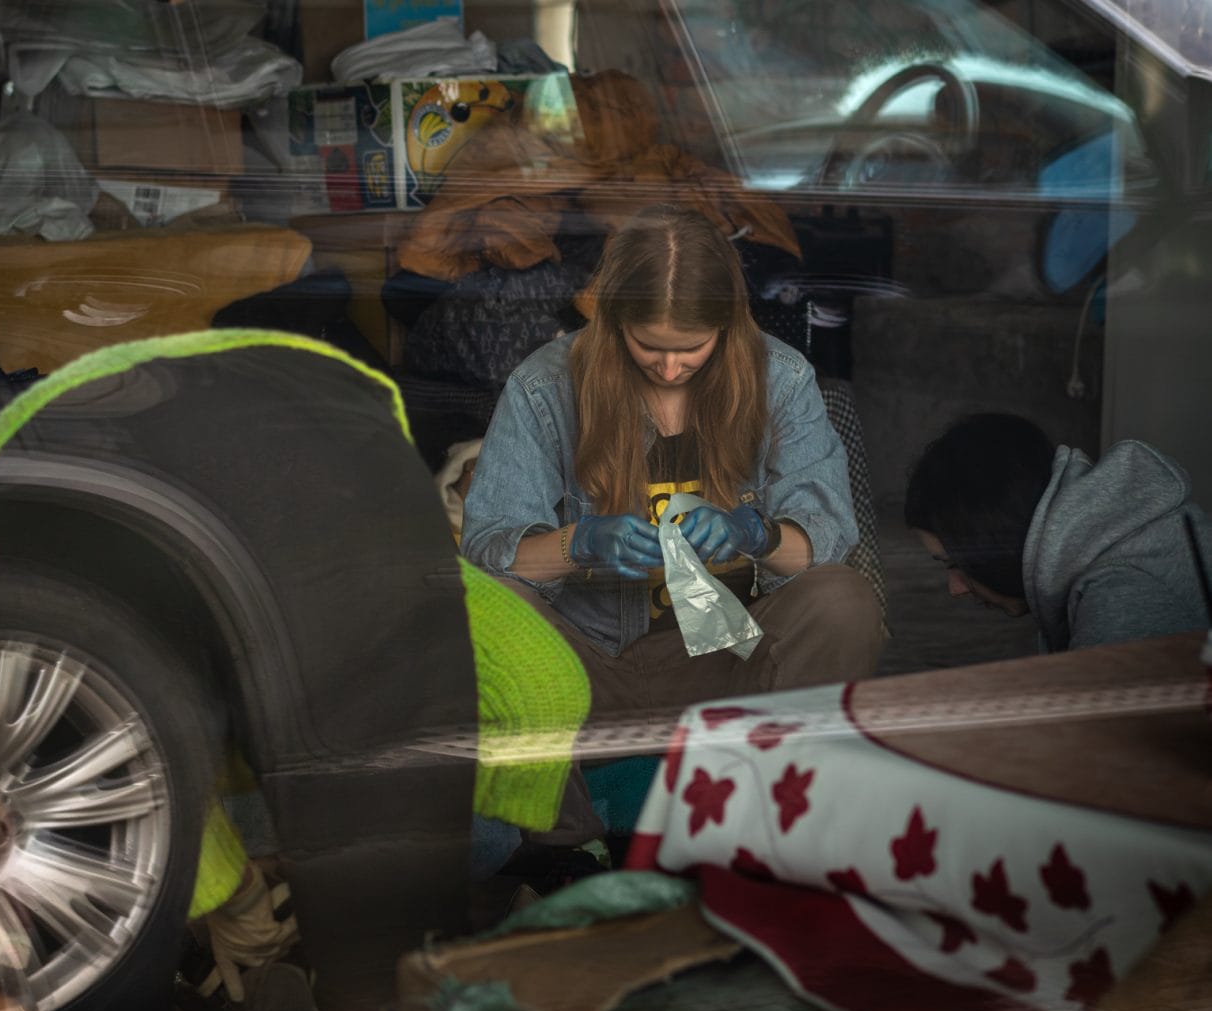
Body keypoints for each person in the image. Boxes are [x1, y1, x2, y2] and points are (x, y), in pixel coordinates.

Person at [460, 205, 883, 730]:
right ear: (614, 320)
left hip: (732, 662)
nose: (669, 368)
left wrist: (755, 533)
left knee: (841, 600)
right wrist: (579, 543)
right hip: (589, 664)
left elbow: (827, 544)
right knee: (484, 613)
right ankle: (561, 817)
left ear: (727, 326)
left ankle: (772, 803)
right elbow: (488, 559)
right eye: (648, 346)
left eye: (692, 348)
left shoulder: (781, 379)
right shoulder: (545, 387)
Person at [905, 412, 1212, 652]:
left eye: (954, 563)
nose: (955, 589)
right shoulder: (1103, 547)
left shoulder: (1119, 603)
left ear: (993, 533)